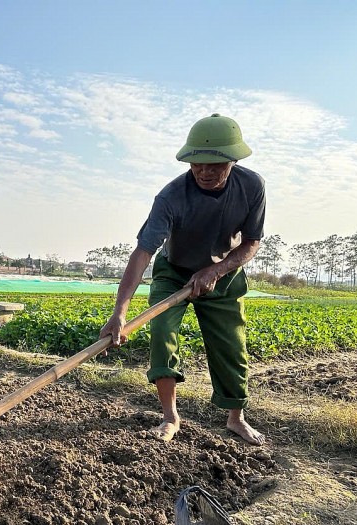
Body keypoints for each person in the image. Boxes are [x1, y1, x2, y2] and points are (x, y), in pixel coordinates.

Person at [99, 114, 266, 445]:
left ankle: (236, 418)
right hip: (174, 273)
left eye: (214, 165)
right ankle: (170, 417)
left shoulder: (251, 187)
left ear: (232, 160)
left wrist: (216, 271)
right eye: (197, 164)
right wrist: (120, 311)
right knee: (162, 333)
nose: (204, 172)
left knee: (232, 345)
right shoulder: (171, 197)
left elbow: (251, 242)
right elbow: (143, 253)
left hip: (225, 273)